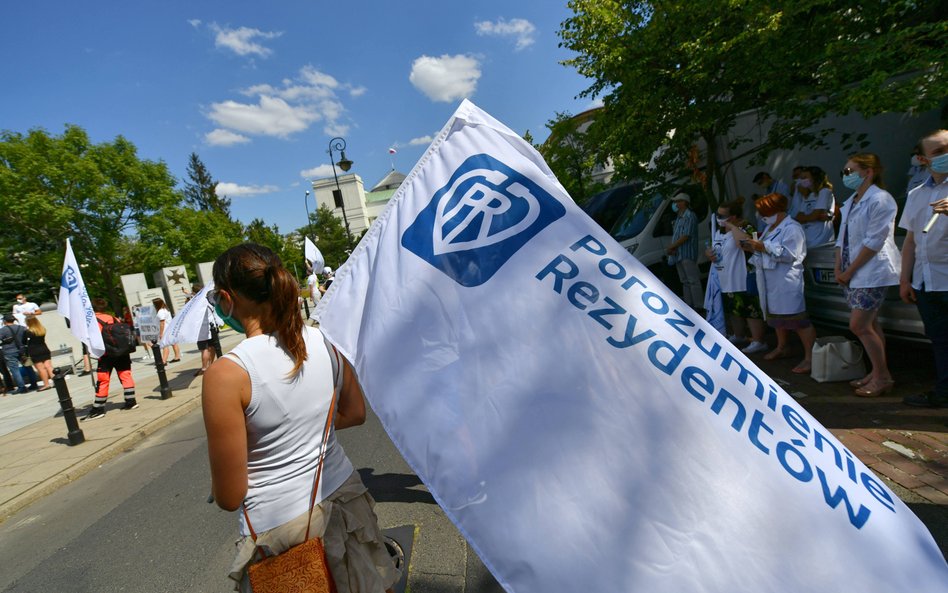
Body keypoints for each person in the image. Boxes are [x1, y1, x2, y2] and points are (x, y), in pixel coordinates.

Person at [202, 243, 398, 592]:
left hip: (281, 533)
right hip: (346, 501)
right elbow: (354, 413)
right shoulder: (325, 341)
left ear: (227, 298)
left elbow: (230, 496)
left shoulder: (227, 374)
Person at [835, 152, 901, 397]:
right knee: (871, 323)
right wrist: (838, 267)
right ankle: (876, 372)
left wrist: (849, 271)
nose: (845, 176)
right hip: (851, 272)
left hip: (871, 271)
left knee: (859, 325)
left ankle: (883, 376)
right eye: (844, 172)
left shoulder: (880, 200)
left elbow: (874, 241)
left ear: (868, 172)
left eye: (850, 171)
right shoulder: (851, 200)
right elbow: (841, 239)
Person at [734, 193, 816, 374]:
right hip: (771, 281)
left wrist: (763, 247)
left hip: (786, 280)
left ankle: (811, 358)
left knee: (799, 320)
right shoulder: (771, 228)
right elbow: (766, 250)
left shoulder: (792, 228)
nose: (762, 216)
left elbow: (790, 254)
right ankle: (782, 346)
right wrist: (752, 247)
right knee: (777, 318)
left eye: (764, 212)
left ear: (777, 210)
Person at [899, 129, 948, 407]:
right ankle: (944, 392)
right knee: (940, 341)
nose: (946, 155)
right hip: (927, 283)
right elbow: (910, 240)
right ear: (922, 159)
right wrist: (905, 279)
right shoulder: (917, 194)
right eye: (938, 152)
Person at [711, 199, 768, 353]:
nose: (719, 218)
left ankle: (759, 340)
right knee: (734, 310)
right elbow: (716, 248)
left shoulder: (747, 227)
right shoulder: (719, 231)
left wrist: (731, 227)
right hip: (725, 278)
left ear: (734, 217)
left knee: (750, 309)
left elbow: (744, 244)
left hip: (743, 276)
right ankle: (739, 335)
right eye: (718, 215)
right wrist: (709, 253)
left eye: (723, 216)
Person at [84, 298, 138, 420]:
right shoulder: (114, 318)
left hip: (106, 354)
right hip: (122, 352)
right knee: (125, 375)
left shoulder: (93, 322)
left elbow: (94, 339)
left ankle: (98, 408)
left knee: (103, 379)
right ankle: (131, 401)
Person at [665, 192, 703, 311]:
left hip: (687, 253)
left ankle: (698, 305)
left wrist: (672, 246)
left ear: (684, 202)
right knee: (685, 281)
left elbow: (686, 236)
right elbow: (678, 235)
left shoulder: (690, 216)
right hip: (678, 253)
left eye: (678, 201)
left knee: (692, 280)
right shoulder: (679, 217)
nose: (675, 204)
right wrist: (673, 247)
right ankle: (689, 304)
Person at [793, 166, 836, 247]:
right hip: (807, 236)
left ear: (815, 178)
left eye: (805, 177)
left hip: (820, 238)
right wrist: (811, 217)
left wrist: (808, 217)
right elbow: (799, 217)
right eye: (801, 178)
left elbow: (814, 216)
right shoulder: (808, 195)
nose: (802, 180)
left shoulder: (824, 192)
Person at [0, 314, 29, 394]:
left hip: (9, 351)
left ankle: (22, 387)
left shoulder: (3, 330)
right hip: (22, 350)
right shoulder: (22, 328)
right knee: (28, 367)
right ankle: (33, 383)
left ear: (5, 321)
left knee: (15, 370)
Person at [25, 316, 53, 390]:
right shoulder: (42, 329)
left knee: (41, 369)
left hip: (34, 351)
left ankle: (46, 384)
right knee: (49, 366)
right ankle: (56, 382)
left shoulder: (28, 332)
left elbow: (24, 342)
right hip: (44, 349)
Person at [153, 298, 181, 363]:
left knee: (164, 345)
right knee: (174, 343)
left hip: (165, 330)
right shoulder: (166, 309)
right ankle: (177, 357)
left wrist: (161, 333)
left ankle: (164, 361)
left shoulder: (160, 312)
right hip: (169, 328)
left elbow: (162, 323)